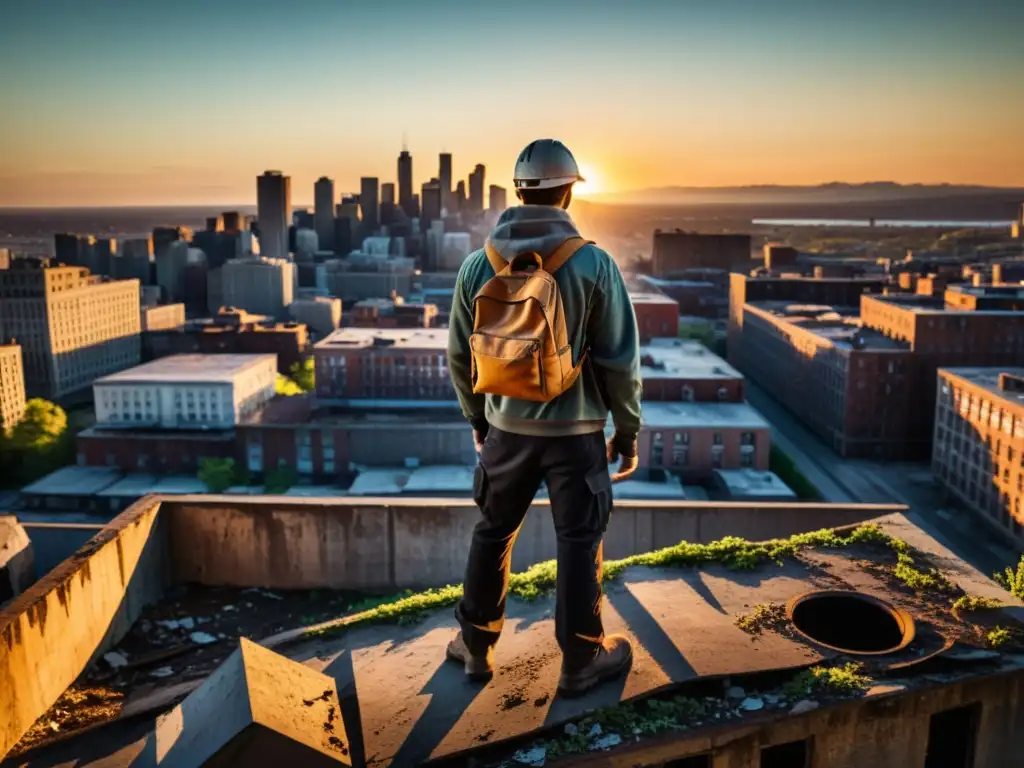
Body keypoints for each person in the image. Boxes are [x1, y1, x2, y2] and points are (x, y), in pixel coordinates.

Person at [446, 138, 642, 697]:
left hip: (506, 432)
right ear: (567, 192)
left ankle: (475, 648)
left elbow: (460, 358)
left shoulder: (475, 266)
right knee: (580, 544)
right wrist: (626, 432)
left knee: (492, 533)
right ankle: (581, 662)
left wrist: (480, 423)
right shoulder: (595, 264)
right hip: (578, 438)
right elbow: (619, 363)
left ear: (517, 190)